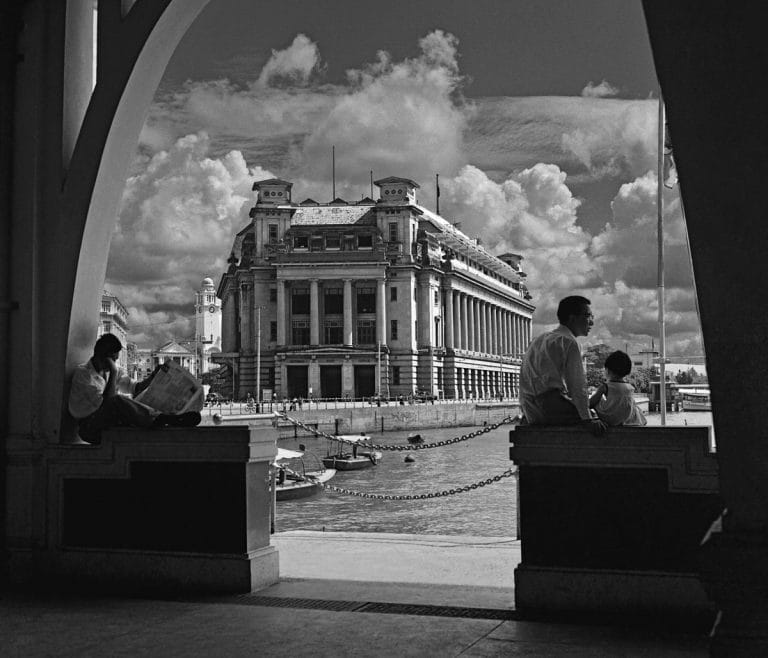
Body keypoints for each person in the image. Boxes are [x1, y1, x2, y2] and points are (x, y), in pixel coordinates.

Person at [68, 333, 201, 444]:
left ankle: (165, 417)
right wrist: (113, 373)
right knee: (117, 401)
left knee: (135, 403)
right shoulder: (84, 374)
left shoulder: (112, 371)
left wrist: (155, 375)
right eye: (113, 359)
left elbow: (135, 388)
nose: (114, 363)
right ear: (103, 356)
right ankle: (162, 419)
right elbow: (107, 402)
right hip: (89, 427)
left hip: (107, 421)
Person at [519, 295, 606, 436]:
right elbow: (577, 386)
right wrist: (587, 419)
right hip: (553, 408)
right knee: (603, 417)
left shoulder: (538, 340)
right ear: (572, 318)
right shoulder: (569, 342)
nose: (592, 322)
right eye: (588, 316)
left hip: (530, 410)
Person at [588, 350, 647, 426]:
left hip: (610, 419)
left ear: (608, 370)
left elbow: (590, 404)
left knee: (597, 399)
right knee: (636, 407)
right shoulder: (630, 388)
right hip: (626, 418)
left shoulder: (606, 386)